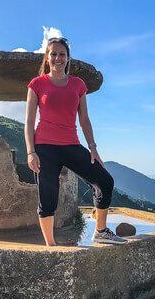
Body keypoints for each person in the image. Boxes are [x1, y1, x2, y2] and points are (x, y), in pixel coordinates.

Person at [24, 37, 127, 247]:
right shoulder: (37, 84)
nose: (57, 58)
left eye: (62, 54)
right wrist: (30, 151)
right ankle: (51, 246)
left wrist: (93, 148)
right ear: (47, 57)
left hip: (71, 144)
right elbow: (28, 121)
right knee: (48, 197)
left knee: (105, 181)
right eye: (53, 54)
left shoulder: (78, 84)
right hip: (44, 147)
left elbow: (85, 119)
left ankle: (100, 231)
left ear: (68, 58)